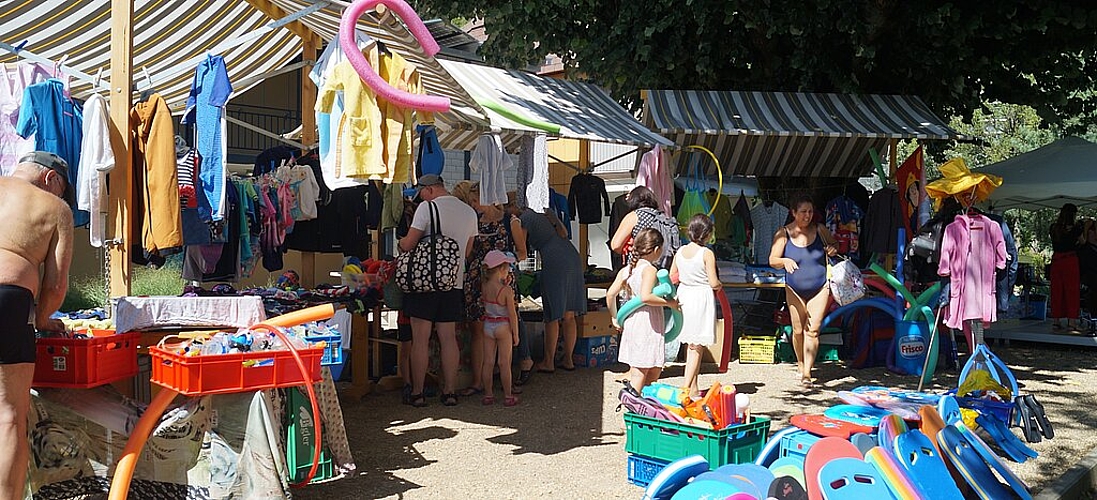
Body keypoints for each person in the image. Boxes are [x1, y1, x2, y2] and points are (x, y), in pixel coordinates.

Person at [0, 151, 74, 498]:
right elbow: (56, 287)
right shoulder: (53, 207)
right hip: (7, 299)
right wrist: (43, 321)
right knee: (8, 416)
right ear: (51, 179)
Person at [398, 175, 478, 407]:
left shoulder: (427, 208)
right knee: (448, 337)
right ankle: (450, 391)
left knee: (420, 339)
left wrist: (401, 242)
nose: (420, 196)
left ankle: (418, 392)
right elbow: (467, 251)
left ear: (430, 190)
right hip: (453, 283)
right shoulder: (468, 212)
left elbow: (409, 243)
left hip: (424, 283)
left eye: (422, 191)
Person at [452, 181, 529, 395]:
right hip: (478, 280)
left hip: (502, 280)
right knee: (479, 330)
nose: (474, 205)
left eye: (476, 201)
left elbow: (523, 252)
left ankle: (506, 381)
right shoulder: (474, 220)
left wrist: (506, 260)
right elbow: (467, 252)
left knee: (506, 329)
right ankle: (479, 381)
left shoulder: (510, 221)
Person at [769, 194, 837, 387]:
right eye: (803, 212)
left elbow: (835, 245)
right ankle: (800, 362)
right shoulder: (783, 233)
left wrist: (832, 249)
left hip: (820, 287)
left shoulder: (820, 229)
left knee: (813, 330)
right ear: (793, 213)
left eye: (810, 212)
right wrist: (784, 261)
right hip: (794, 289)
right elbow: (772, 260)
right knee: (798, 330)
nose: (807, 216)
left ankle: (807, 372)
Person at [510, 204, 586, 373]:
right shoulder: (547, 211)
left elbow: (521, 247)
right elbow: (564, 232)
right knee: (569, 314)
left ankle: (548, 362)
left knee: (552, 314)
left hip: (554, 260)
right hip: (572, 257)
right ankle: (568, 360)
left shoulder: (525, 218)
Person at [608, 228, 680, 392]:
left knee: (649, 368)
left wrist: (614, 317)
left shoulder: (627, 270)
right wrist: (670, 303)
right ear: (656, 249)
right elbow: (646, 296)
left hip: (633, 321)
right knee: (641, 372)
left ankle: (641, 405)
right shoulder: (650, 270)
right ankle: (632, 405)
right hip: (647, 323)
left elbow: (610, 294)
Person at [670, 214, 722, 399]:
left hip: (684, 294)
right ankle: (686, 389)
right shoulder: (707, 253)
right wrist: (719, 286)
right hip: (701, 296)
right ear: (707, 234)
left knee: (689, 343)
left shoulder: (681, 251)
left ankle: (693, 386)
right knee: (696, 345)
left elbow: (672, 275)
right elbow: (713, 281)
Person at [479, 250, 520, 406]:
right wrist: (515, 334)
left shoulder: (484, 285)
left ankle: (488, 394)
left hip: (488, 324)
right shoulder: (507, 291)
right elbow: (512, 314)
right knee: (504, 363)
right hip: (503, 326)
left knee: (488, 362)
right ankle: (508, 395)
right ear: (502, 269)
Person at [610, 186, 681, 269]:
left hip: (640, 267)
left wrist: (630, 248)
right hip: (663, 266)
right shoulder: (662, 217)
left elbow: (615, 245)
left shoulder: (635, 216)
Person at [1049, 203, 1083, 332]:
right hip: (1070, 260)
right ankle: (1072, 322)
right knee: (1072, 290)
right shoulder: (1076, 228)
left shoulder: (1054, 228)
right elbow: (1083, 241)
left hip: (1057, 260)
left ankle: (1056, 321)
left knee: (1056, 290)